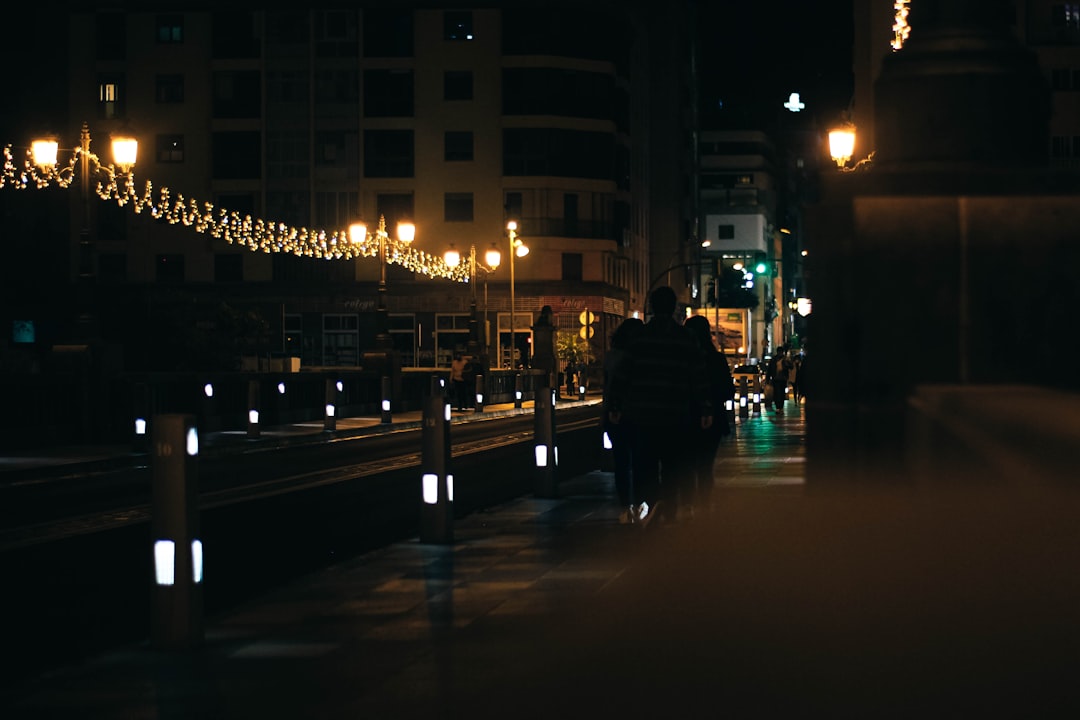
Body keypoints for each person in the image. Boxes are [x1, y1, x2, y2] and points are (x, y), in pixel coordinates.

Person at [606, 286, 712, 527]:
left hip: (642, 412)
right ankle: (670, 506)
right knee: (674, 463)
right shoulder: (686, 338)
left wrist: (616, 405)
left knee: (646, 463)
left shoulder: (639, 338)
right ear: (674, 307)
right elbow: (698, 375)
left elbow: (624, 374)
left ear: (652, 307)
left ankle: (651, 503)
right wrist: (705, 408)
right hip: (676, 411)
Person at [683, 315, 733, 515]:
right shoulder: (716, 358)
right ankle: (704, 503)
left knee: (686, 463)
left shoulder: (683, 358)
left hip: (685, 415)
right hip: (712, 417)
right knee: (705, 465)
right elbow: (728, 391)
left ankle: (687, 503)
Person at [602, 317, 644, 524]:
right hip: (636, 411)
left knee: (621, 461)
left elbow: (609, 386)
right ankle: (640, 500)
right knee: (639, 459)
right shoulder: (639, 357)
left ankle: (625, 502)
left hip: (614, 414)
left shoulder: (611, 357)